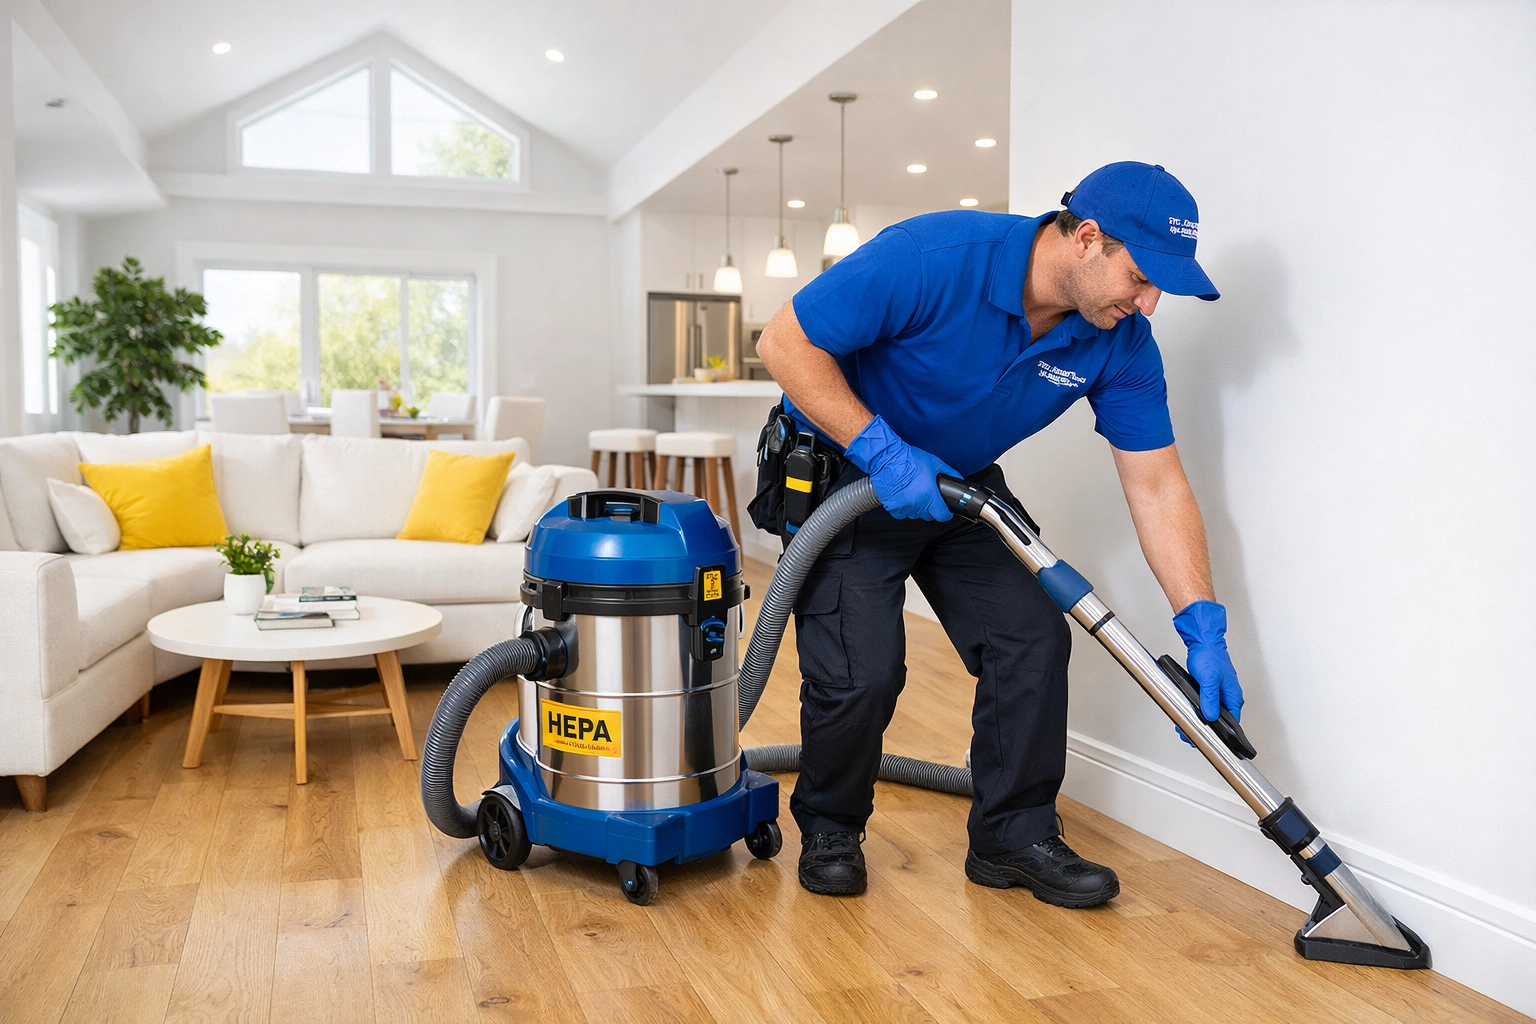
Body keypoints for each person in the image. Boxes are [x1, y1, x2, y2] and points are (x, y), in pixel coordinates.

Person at [751, 161, 1243, 905]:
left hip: (961, 484)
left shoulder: (1121, 342)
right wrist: (881, 449)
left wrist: (1203, 625)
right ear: (1086, 239)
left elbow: (1157, 484)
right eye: (1141, 277)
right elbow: (784, 344)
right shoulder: (933, 257)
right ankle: (830, 827)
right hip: (843, 467)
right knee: (865, 668)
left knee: (1034, 637)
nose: (1148, 303)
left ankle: (1014, 838)